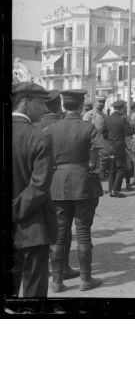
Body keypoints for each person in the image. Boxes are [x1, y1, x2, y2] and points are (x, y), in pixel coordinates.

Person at [47, 89, 114, 292]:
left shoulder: (51, 129)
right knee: (83, 232)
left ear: (63, 105)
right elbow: (107, 151)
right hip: (84, 184)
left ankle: (57, 283)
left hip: (57, 185)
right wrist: (99, 170)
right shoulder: (88, 128)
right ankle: (86, 280)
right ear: (80, 104)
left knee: (59, 234)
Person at [11, 82, 58, 297]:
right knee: (34, 296)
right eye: (40, 103)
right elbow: (38, 187)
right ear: (24, 103)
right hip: (32, 230)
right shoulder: (38, 136)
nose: (45, 109)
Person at [34, 89, 80, 279]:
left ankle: (42, 267)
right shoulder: (61, 125)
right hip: (59, 184)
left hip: (37, 184)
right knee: (62, 229)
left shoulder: (35, 125)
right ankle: (63, 268)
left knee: (40, 226)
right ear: (58, 106)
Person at [105, 100, 134, 197]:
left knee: (112, 168)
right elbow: (129, 132)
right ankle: (115, 190)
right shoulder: (121, 119)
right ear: (121, 108)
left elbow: (102, 132)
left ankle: (110, 189)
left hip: (110, 146)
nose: (125, 109)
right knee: (121, 168)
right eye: (124, 107)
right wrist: (133, 127)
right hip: (119, 147)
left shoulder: (108, 118)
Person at [83, 95, 109, 176]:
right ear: (95, 102)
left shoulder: (105, 116)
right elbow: (84, 131)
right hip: (90, 146)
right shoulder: (89, 115)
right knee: (90, 166)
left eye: (103, 102)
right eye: (99, 102)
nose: (101, 104)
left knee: (99, 169)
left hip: (101, 146)